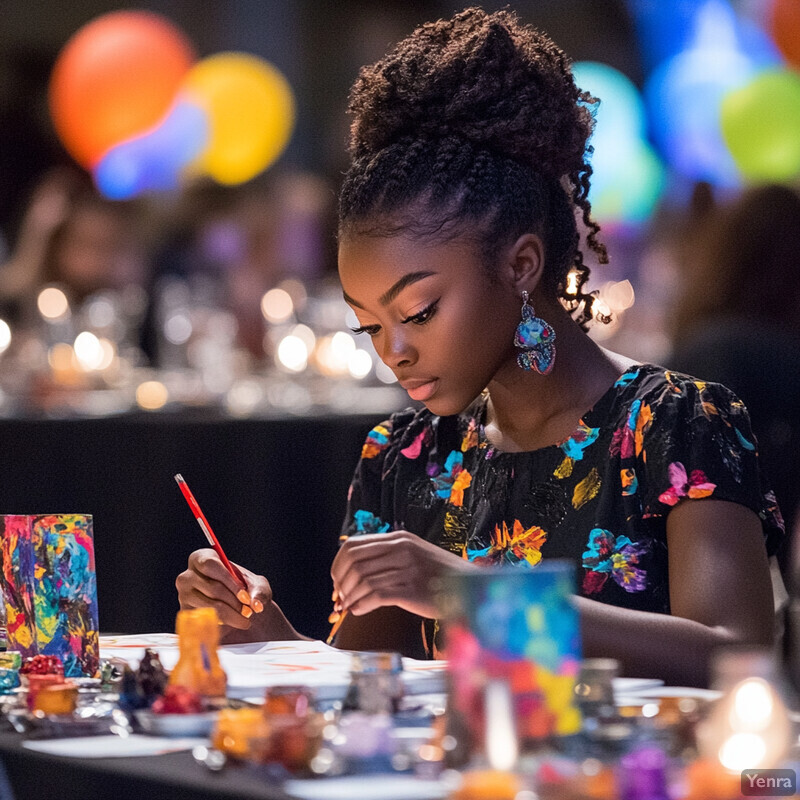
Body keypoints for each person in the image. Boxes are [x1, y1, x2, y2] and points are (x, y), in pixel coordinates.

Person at [176, 7, 783, 687]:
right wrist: (266, 633)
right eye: (369, 325)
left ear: (522, 265)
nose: (394, 351)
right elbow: (368, 683)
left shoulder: (676, 423)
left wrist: (467, 596)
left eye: (420, 310)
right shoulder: (405, 456)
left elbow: (738, 659)